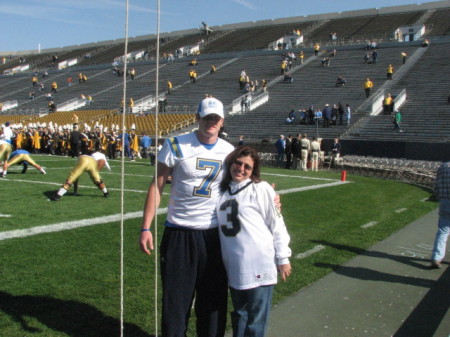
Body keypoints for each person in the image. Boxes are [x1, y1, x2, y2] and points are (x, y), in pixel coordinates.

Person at [139, 97, 234, 337]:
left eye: (215, 118)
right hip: (180, 232)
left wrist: (269, 197)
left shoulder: (229, 151)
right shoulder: (175, 144)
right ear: (197, 118)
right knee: (176, 303)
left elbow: (242, 188)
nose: (210, 122)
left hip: (214, 235)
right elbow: (157, 186)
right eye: (206, 117)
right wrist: (146, 227)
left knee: (213, 303)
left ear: (222, 121)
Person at [217, 146, 291, 337]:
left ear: (253, 171)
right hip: (234, 265)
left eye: (247, 167)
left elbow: (277, 223)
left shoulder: (260, 188)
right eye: (238, 163)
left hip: (259, 264)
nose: (241, 169)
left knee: (256, 319)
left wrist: (283, 257)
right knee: (239, 315)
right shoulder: (222, 191)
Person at [430, 161, 450, 269]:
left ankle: (436, 258)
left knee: (443, 231)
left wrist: (438, 196)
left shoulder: (443, 167)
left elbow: (436, 185)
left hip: (444, 201)